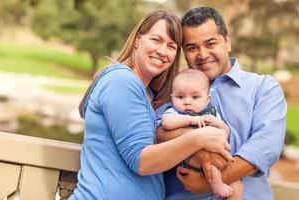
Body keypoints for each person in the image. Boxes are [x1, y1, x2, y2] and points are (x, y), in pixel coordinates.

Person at [69, 10, 232, 200]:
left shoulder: (151, 94)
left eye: (171, 46)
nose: (162, 51)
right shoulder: (121, 80)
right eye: (156, 40)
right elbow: (141, 161)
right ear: (138, 39)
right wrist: (199, 138)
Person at [156, 6, 287, 200]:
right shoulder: (176, 89)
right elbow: (157, 131)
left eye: (210, 44)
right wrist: (200, 145)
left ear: (227, 42)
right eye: (192, 48)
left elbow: (265, 148)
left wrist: (208, 182)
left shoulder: (263, 88)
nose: (202, 54)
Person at [161, 68, 243, 199]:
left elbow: (226, 132)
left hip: (216, 157)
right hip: (189, 158)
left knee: (237, 185)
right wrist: (191, 119)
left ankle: (219, 183)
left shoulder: (211, 113)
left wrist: (218, 123)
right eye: (180, 97)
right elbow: (166, 123)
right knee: (210, 160)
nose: (187, 101)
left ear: (207, 99)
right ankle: (216, 183)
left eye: (195, 97)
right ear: (172, 97)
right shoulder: (176, 112)